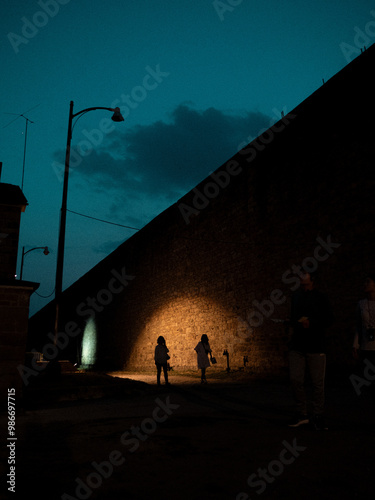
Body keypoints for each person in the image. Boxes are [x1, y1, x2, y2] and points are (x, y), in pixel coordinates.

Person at [288, 271, 333, 430]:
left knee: (317, 383)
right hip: (297, 346)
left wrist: (312, 323)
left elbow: (328, 319)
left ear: (312, 281)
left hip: (315, 345)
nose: (303, 286)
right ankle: (302, 413)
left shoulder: (321, 297)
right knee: (295, 379)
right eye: (301, 282)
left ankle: (318, 416)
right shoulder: (296, 297)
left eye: (306, 282)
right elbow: (292, 318)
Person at [352, 274, 375, 399]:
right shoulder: (361, 304)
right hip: (367, 347)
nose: (365, 285)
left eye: (368, 282)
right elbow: (358, 326)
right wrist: (355, 344)